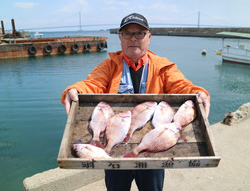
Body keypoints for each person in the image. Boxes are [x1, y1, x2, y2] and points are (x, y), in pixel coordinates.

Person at [61, 13, 210, 191]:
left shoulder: (164, 66)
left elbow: (181, 85)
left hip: (152, 155)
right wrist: (75, 90)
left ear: (149, 37)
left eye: (139, 33)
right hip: (116, 155)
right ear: (120, 38)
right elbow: (93, 83)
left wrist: (198, 93)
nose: (133, 38)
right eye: (127, 33)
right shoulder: (108, 66)